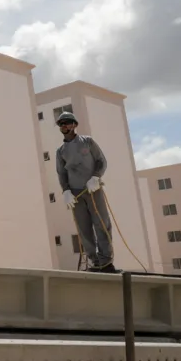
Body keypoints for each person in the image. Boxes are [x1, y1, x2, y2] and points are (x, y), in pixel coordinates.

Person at [55, 111, 118, 273]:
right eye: (61, 123)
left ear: (75, 124)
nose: (64, 126)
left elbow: (101, 161)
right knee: (84, 229)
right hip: (76, 194)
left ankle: (106, 261)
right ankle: (94, 262)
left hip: (93, 189)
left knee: (102, 224)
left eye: (67, 122)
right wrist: (66, 191)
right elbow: (62, 173)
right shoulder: (60, 151)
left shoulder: (87, 142)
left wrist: (96, 177)